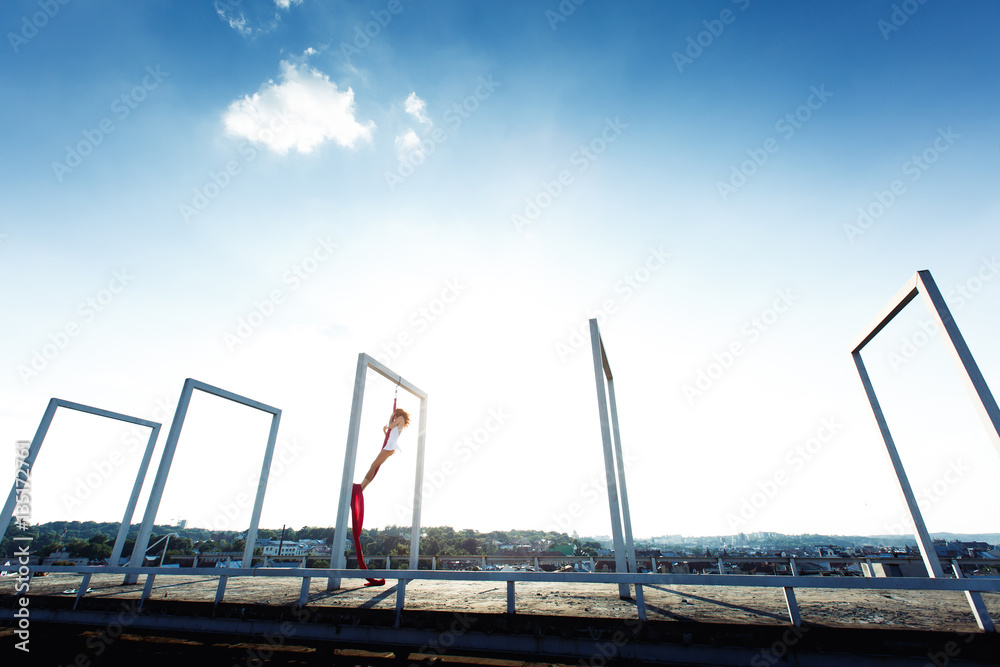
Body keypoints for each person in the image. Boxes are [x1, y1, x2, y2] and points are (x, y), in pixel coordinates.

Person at [360, 407, 410, 491]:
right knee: (374, 466)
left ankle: (361, 487)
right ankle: (362, 488)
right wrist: (385, 432)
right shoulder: (398, 423)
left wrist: (391, 417)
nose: (394, 418)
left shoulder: (401, 418)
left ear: (397, 414)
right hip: (389, 446)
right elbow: (390, 437)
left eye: (395, 416)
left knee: (373, 466)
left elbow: (390, 425)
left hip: (390, 447)